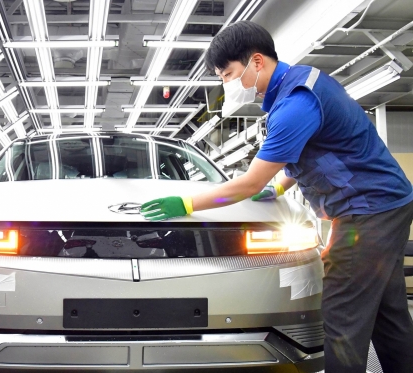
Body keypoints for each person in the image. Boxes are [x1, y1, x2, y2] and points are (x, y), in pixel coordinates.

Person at [140, 21, 413, 373]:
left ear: (256, 62)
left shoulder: (294, 106)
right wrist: (281, 186)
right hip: (388, 203)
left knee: (343, 316)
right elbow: (313, 152)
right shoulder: (301, 83)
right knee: (388, 314)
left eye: (227, 74)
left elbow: (247, 185)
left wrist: (188, 203)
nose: (226, 85)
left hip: (367, 211)